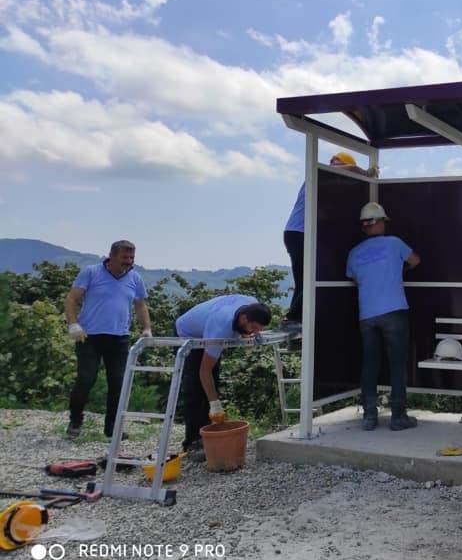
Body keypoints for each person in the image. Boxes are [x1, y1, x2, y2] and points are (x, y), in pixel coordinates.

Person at [64, 240, 152, 439]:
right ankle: (75, 421)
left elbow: (140, 305)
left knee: (118, 383)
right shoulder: (92, 272)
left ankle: (112, 428)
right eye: (124, 258)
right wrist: (73, 324)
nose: (128, 262)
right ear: (111, 256)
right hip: (89, 336)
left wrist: (146, 328)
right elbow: (71, 299)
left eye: (131, 258)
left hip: (119, 337)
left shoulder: (135, 278)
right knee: (86, 379)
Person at [281, 151, 378, 329]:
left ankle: (295, 317)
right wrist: (366, 173)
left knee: (305, 276)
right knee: (308, 276)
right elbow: (350, 169)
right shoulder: (318, 174)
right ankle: (293, 318)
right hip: (300, 233)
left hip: (296, 233)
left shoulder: (324, 183)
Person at [346, 202, 420, 431]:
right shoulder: (394, 243)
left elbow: (354, 279)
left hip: (367, 316)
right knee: (397, 365)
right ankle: (398, 417)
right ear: (380, 222)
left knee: (370, 364)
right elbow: (415, 260)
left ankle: (369, 416)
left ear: (364, 226)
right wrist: (398, 271)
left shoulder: (354, 252)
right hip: (394, 312)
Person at [174, 295, 272, 458]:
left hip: (210, 326)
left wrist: (252, 333)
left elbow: (248, 328)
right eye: (253, 328)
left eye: (259, 330)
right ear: (244, 318)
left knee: (212, 382)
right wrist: (215, 404)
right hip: (188, 334)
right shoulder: (220, 328)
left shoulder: (252, 305)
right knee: (196, 388)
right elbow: (204, 371)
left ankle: (208, 435)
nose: (255, 333)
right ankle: (192, 443)